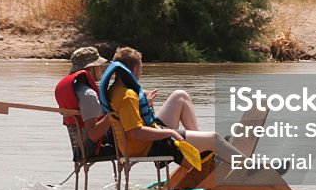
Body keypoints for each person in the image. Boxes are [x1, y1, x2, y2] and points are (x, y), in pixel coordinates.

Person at [98, 46, 246, 164]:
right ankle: (252, 170)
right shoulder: (127, 96)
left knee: (180, 96)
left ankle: (200, 144)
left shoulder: (115, 90)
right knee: (215, 138)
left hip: (141, 142)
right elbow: (135, 132)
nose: (141, 73)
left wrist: (147, 105)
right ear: (135, 70)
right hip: (146, 146)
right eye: (141, 69)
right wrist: (170, 133)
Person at [54, 46, 114, 158]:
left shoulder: (77, 89)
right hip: (94, 148)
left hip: (79, 148)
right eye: (99, 65)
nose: (101, 68)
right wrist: (113, 116)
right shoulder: (88, 94)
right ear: (90, 68)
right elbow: (93, 134)